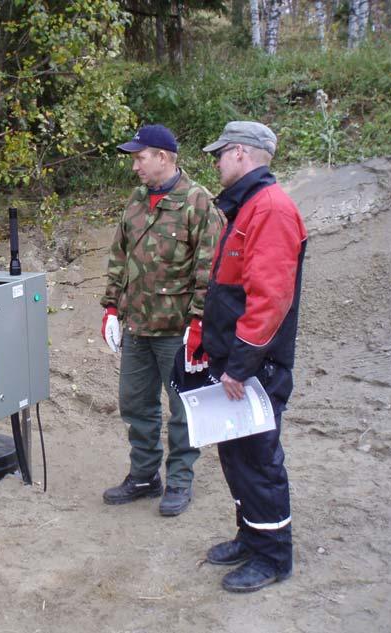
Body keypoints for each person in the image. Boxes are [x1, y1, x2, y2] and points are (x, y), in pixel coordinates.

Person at [198, 121, 307, 592]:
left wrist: (241, 365)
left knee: (258, 457)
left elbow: (270, 297)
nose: (217, 161)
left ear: (241, 153)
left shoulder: (271, 209)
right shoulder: (248, 205)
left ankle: (273, 556)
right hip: (238, 360)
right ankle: (251, 536)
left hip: (255, 365)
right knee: (237, 454)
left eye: (220, 153)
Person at [100, 124, 224, 516]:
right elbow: (119, 257)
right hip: (137, 325)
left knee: (183, 407)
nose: (135, 166)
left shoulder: (197, 202)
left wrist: (200, 323)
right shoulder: (136, 202)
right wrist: (111, 308)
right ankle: (144, 475)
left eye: (140, 157)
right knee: (134, 402)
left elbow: (212, 269)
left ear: (164, 157)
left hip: (178, 330)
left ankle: (180, 479)